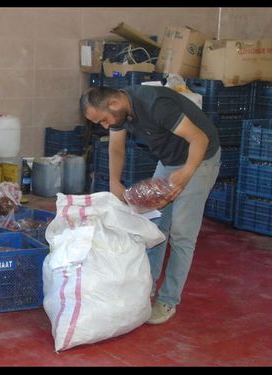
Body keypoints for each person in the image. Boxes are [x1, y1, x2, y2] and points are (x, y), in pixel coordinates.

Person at [80, 85, 220, 325]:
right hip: (170, 160)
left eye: (103, 120)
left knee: (182, 235)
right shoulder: (119, 112)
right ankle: (147, 287)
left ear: (114, 104)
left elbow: (200, 138)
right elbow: (116, 147)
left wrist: (186, 174)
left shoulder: (155, 104)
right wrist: (115, 180)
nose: (105, 126)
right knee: (154, 227)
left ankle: (168, 300)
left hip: (199, 159)